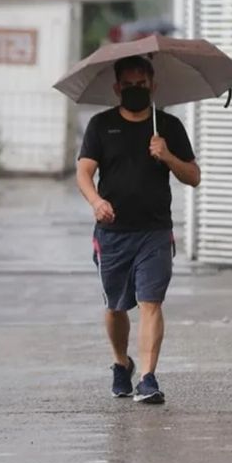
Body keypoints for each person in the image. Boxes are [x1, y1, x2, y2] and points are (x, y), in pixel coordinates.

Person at [75, 55, 202, 404]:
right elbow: (83, 172)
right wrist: (96, 202)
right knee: (116, 307)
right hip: (113, 233)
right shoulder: (101, 125)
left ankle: (147, 377)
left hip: (155, 231)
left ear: (153, 85)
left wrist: (168, 156)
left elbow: (194, 176)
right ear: (117, 88)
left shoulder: (168, 127)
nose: (135, 90)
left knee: (150, 302)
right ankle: (121, 363)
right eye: (128, 86)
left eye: (141, 85)